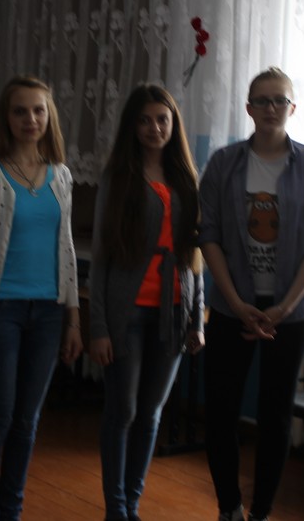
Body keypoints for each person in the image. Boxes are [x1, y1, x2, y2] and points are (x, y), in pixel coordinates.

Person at [198, 67, 304, 521]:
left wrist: (286, 305)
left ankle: (260, 513)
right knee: (221, 411)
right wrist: (237, 303)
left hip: (290, 313)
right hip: (231, 305)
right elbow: (209, 235)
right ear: (249, 108)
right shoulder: (224, 163)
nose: (271, 108)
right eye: (262, 100)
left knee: (275, 415)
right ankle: (229, 508)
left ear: (292, 108)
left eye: (280, 100)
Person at [0, 75, 84, 521]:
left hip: (49, 313)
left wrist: (73, 318)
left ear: (49, 117)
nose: (30, 119)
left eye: (38, 110)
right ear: (6, 118)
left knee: (27, 421)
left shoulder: (61, 175)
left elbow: (66, 248)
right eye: (20, 111)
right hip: (1, 312)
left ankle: (10, 509)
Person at [88, 84, 205, 521]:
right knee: (123, 410)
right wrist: (98, 327)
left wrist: (198, 321)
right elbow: (101, 256)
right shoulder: (118, 177)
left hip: (174, 313)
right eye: (144, 120)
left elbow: (195, 256)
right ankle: (115, 507)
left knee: (151, 414)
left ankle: (132, 503)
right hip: (127, 312)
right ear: (132, 126)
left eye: (162, 119)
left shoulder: (186, 178)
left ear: (174, 124)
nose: (154, 128)